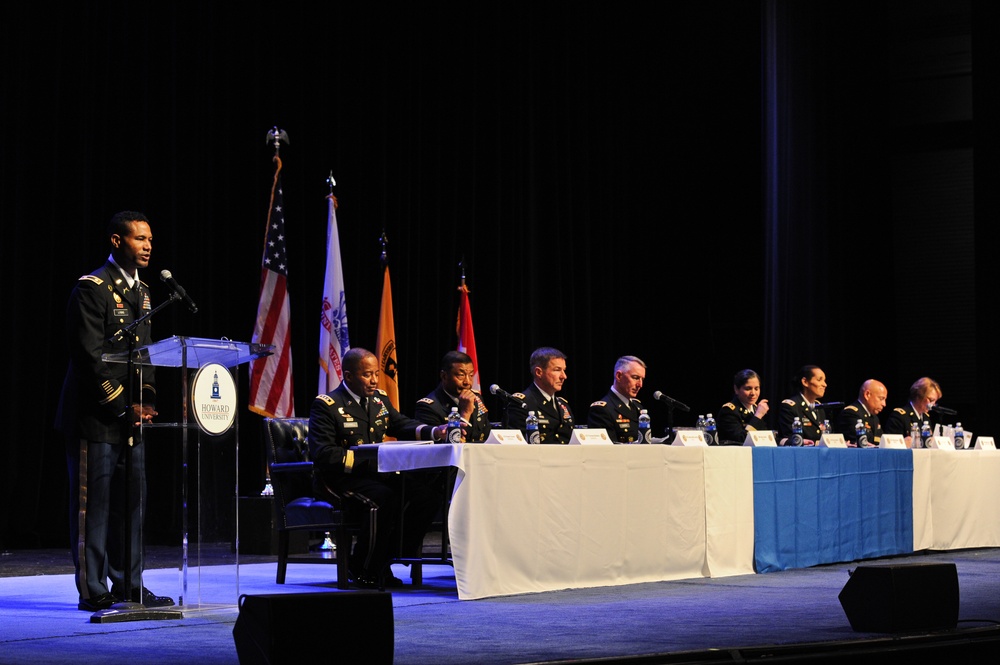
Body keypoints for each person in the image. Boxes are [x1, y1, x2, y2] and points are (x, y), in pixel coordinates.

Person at [54, 211, 174, 612]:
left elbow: (145, 354)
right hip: (96, 414)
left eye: (151, 240)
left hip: (132, 417)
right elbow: (88, 358)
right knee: (95, 506)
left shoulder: (142, 293)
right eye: (139, 239)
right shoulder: (92, 288)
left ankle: (130, 585)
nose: (147, 246)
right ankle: (93, 588)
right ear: (116, 241)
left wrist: (148, 400)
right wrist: (124, 405)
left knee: (132, 504)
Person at [308, 347, 449, 588]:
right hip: (339, 479)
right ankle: (362, 567)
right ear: (349, 376)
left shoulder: (379, 400)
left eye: (375, 374)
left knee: (427, 497)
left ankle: (386, 559)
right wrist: (370, 461)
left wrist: (434, 431)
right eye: (366, 375)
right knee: (383, 499)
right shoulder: (328, 405)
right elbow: (324, 454)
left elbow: (402, 425)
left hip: (375, 476)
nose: (374, 380)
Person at [502, 347, 576, 443]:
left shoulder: (563, 405)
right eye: (557, 370)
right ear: (539, 372)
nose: (564, 376)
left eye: (564, 370)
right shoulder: (520, 404)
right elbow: (517, 446)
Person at [415, 350, 492, 442]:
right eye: (461, 375)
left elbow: (485, 432)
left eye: (471, 375)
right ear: (444, 376)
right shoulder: (428, 407)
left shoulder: (476, 397)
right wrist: (465, 413)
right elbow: (445, 445)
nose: (467, 382)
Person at [587, 356, 648, 443]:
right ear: (619, 376)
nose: (640, 385)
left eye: (642, 379)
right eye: (635, 378)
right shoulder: (602, 409)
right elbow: (606, 450)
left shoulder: (637, 406)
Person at [776, 365, 829, 446]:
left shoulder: (819, 407)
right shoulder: (791, 406)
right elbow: (790, 440)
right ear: (805, 382)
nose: (824, 384)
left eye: (824, 380)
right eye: (819, 380)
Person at [883, 377, 943, 446]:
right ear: (919, 396)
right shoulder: (900, 416)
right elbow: (890, 446)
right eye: (931, 400)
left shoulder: (926, 417)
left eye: (935, 402)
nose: (933, 405)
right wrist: (904, 444)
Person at [717, 369, 770, 445]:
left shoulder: (755, 409)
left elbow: (764, 437)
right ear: (736, 389)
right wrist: (758, 416)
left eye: (756, 388)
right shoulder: (728, 411)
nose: (753, 393)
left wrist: (784, 441)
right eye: (748, 389)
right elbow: (742, 439)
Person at [835, 379, 887, 447]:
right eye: (881, 398)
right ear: (867, 395)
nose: (884, 404)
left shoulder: (874, 417)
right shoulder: (851, 413)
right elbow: (863, 442)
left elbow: (880, 440)